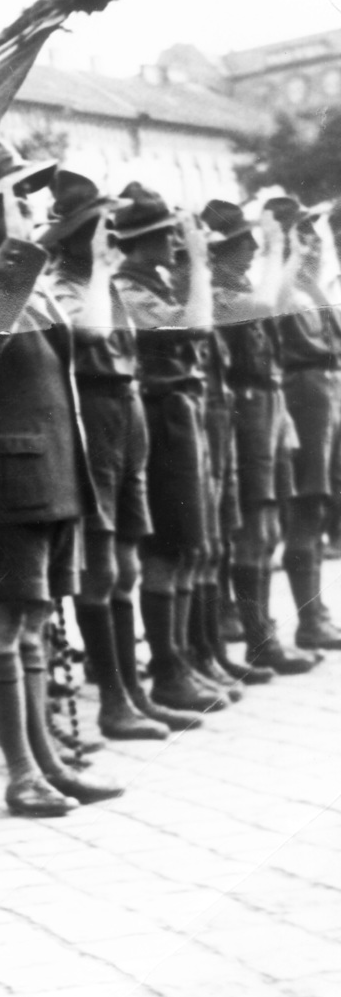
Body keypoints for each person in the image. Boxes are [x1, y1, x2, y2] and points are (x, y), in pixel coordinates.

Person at [0, 144, 121, 818]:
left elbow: (82, 336)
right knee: (4, 625)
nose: (27, 205)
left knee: (31, 623)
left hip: (50, 469)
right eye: (13, 193)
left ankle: (47, 762)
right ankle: (22, 772)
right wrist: (21, 257)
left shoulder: (23, 272)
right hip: (7, 475)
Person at [42, 170, 178, 739]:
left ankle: (133, 694)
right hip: (93, 415)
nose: (111, 236)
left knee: (125, 562)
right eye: (98, 226)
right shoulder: (68, 283)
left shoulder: (106, 280)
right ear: (75, 236)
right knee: (101, 566)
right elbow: (92, 335)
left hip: (126, 411)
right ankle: (114, 700)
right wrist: (99, 268)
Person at [110, 183, 237, 715]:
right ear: (141, 243)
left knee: (190, 546)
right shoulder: (129, 289)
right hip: (161, 420)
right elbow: (197, 325)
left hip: (182, 415)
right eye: (164, 236)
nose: (173, 244)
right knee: (168, 547)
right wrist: (201, 265)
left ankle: (184, 657)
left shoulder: (151, 281)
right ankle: (167, 669)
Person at [206, 198, 302, 683]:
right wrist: (278, 246)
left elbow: (279, 304)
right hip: (243, 410)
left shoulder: (240, 286)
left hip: (265, 404)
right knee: (252, 530)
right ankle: (259, 637)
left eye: (248, 243)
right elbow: (267, 305)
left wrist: (288, 253)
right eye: (237, 244)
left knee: (267, 529)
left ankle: (261, 633)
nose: (247, 251)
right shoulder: (216, 294)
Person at [271, 195, 341, 653]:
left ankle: (315, 613)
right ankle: (309, 617)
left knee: (317, 504)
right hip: (304, 395)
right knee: (306, 505)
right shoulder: (281, 289)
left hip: (322, 392)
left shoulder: (305, 286)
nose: (315, 243)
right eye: (305, 234)